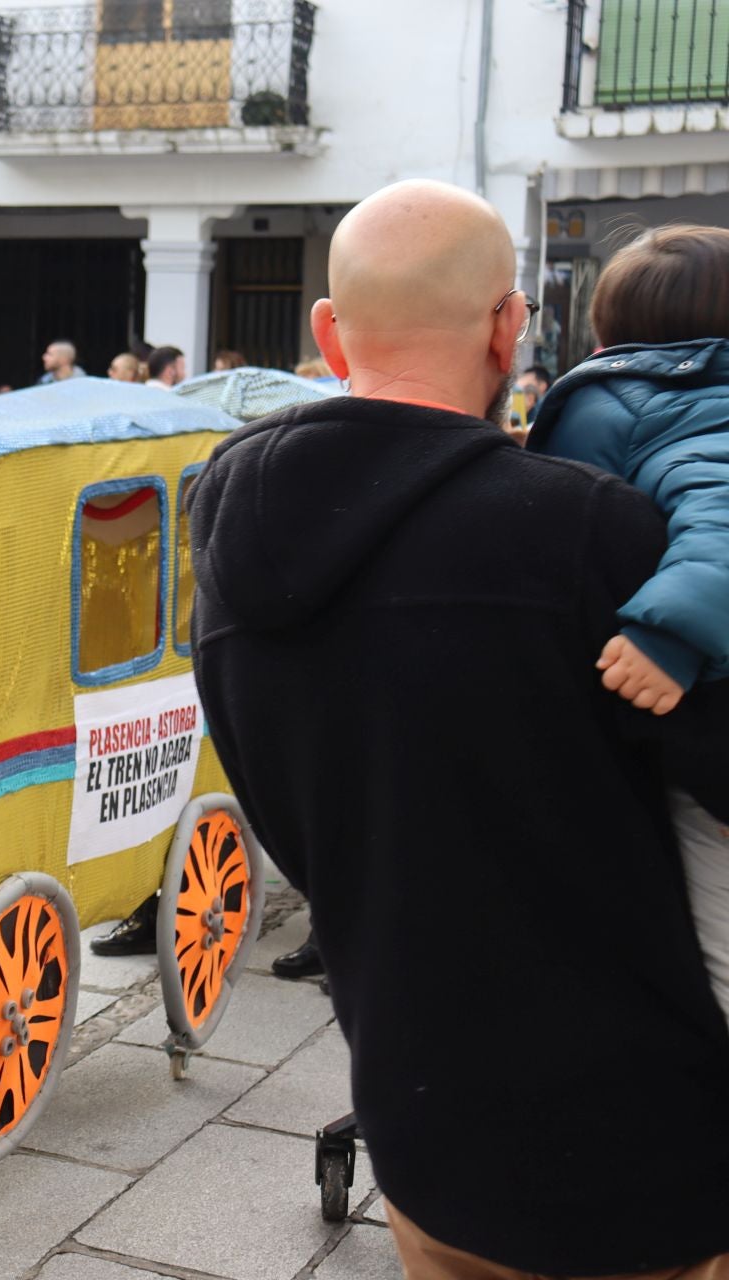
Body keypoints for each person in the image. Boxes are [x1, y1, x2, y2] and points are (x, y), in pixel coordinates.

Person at [189, 178, 729, 1275]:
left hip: (416, 1105)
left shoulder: (227, 530)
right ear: (507, 325)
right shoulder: (592, 531)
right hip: (636, 1148)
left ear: (329, 336)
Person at [529, 224, 729, 1022]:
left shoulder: (619, 405)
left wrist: (668, 637)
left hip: (702, 715)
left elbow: (722, 518)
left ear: (607, 328)